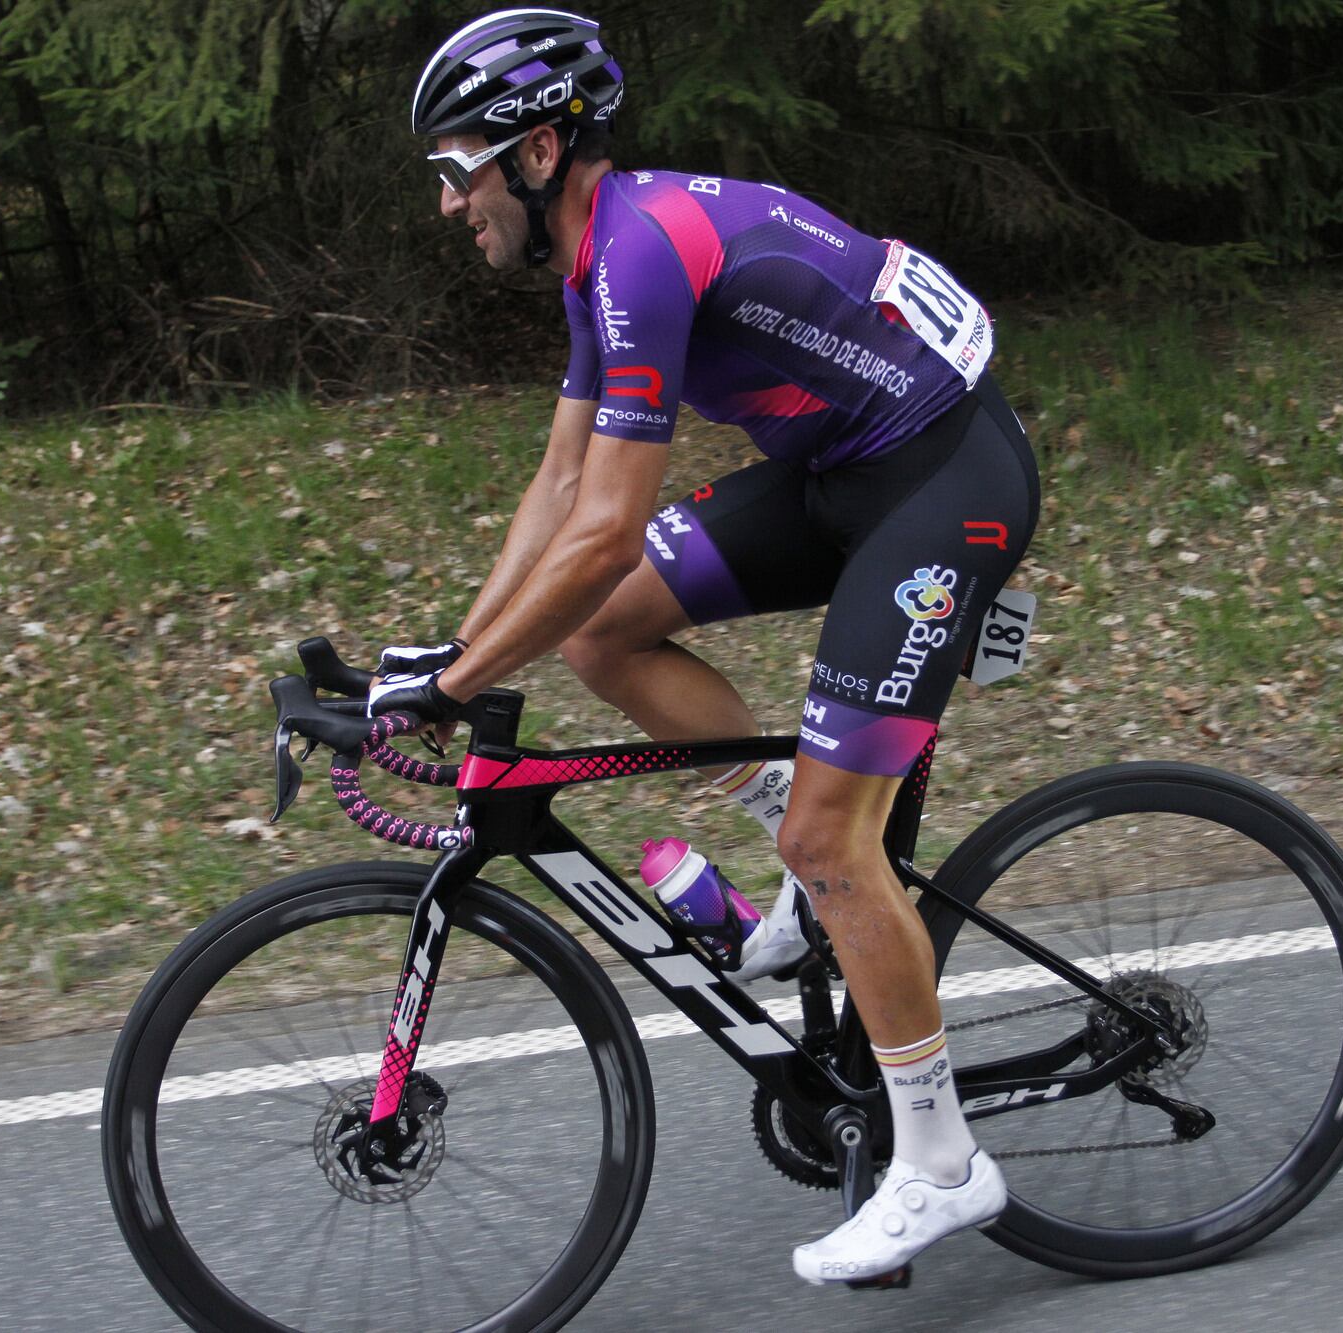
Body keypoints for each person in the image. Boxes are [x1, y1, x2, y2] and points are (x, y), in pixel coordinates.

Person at [376, 7, 1040, 1285]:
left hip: (943, 477)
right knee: (608, 632)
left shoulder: (636, 255)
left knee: (827, 850)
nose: (447, 204)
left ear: (535, 152)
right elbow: (561, 486)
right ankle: (797, 809)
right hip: (844, 465)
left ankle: (944, 1165)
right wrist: (446, 655)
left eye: (456, 169)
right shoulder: (597, 263)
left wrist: (459, 685)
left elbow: (604, 523)